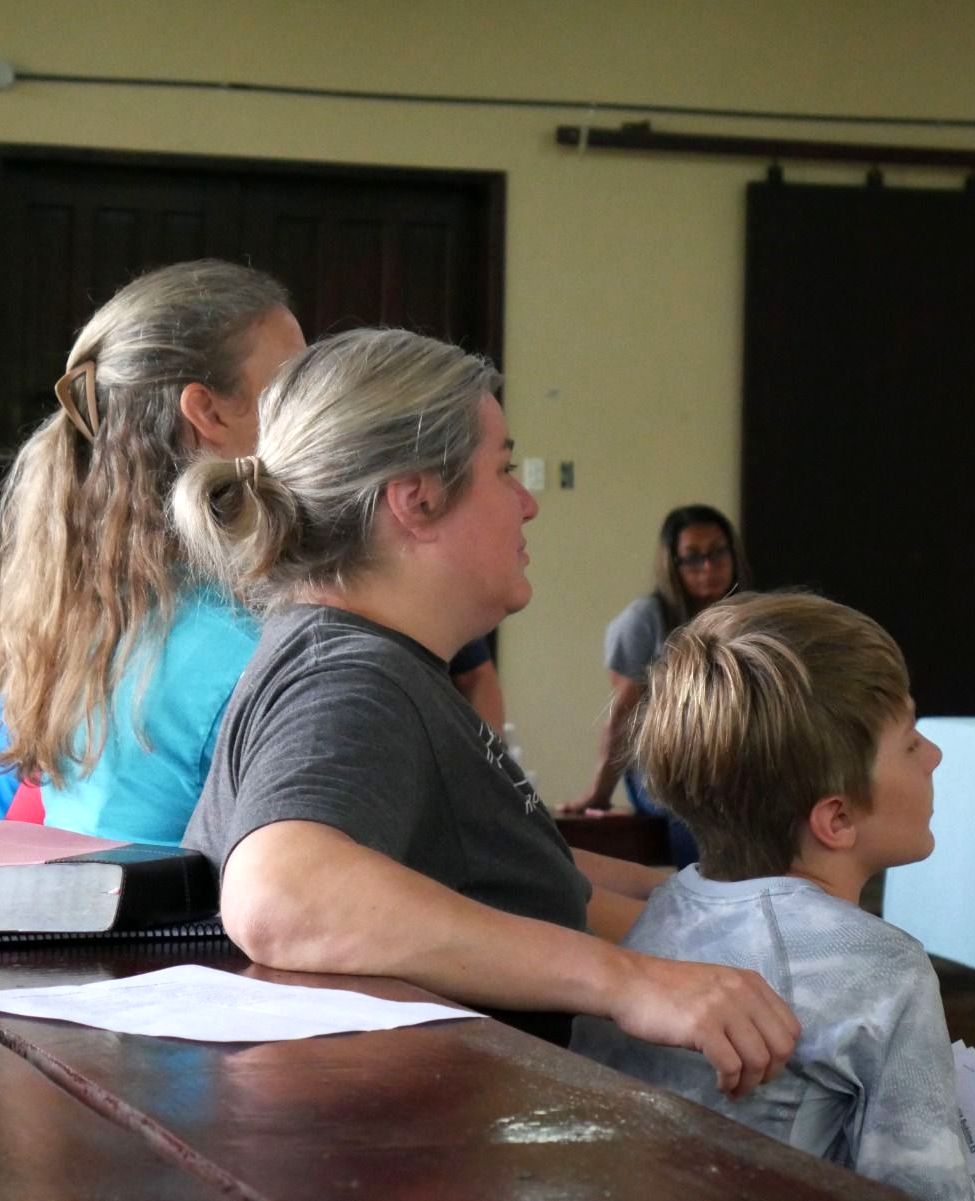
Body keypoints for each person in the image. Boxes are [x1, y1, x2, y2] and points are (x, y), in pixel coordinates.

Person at [172, 327, 799, 1083]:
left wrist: (707, 899)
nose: (528, 502)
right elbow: (281, 893)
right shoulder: (353, 680)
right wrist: (623, 980)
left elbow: (493, 868)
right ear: (418, 501)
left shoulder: (369, 661)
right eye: (502, 469)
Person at [571, 592, 973, 1201]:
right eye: (912, 741)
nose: (936, 756)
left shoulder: (639, 936)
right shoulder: (883, 968)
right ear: (835, 820)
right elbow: (923, 1189)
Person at [0, 260, 305, 843]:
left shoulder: (74, 610)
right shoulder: (243, 654)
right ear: (207, 412)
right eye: (293, 384)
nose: (315, 409)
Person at [561, 504, 751, 867]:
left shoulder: (749, 615)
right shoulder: (645, 619)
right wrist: (598, 793)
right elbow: (624, 713)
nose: (708, 568)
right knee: (694, 811)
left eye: (717, 553)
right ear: (673, 565)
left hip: (735, 756)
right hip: (666, 763)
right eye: (693, 559)